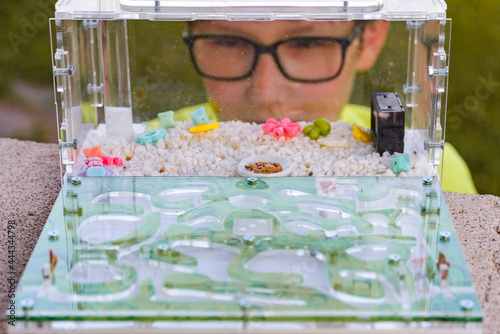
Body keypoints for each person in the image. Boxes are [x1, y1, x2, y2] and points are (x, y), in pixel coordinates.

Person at [159, 20, 477, 193]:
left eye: (306, 43)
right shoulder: (152, 155)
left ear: (368, 39)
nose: (266, 92)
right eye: (228, 41)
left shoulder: (435, 169)